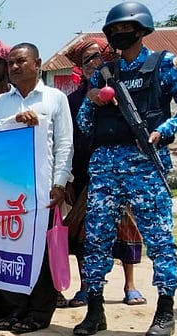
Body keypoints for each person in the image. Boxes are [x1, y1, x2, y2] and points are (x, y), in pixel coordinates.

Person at [73, 1, 177, 336]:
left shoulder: (164, 64)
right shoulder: (104, 72)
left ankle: (165, 310)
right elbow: (84, 125)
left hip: (144, 165)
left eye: (126, 28)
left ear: (141, 30)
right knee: (96, 239)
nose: (120, 34)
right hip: (105, 167)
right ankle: (95, 308)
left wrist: (165, 130)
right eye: (114, 30)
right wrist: (93, 100)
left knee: (159, 239)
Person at [0, 43, 74, 334]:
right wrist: (14, 122)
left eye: (20, 61)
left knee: (41, 253)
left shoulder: (55, 98)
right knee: (11, 250)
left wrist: (59, 183)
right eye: (10, 62)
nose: (14, 67)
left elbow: (64, 144)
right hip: (9, 190)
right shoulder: (2, 102)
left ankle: (39, 312)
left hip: (42, 190)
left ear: (37, 63)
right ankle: (16, 308)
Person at [62, 36, 147, 308]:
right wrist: (68, 179)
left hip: (122, 172)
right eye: (87, 59)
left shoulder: (124, 91)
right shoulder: (72, 101)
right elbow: (67, 141)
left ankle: (130, 285)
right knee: (84, 232)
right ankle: (86, 286)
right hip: (85, 175)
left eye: (98, 56)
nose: (93, 63)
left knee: (126, 227)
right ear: (80, 66)